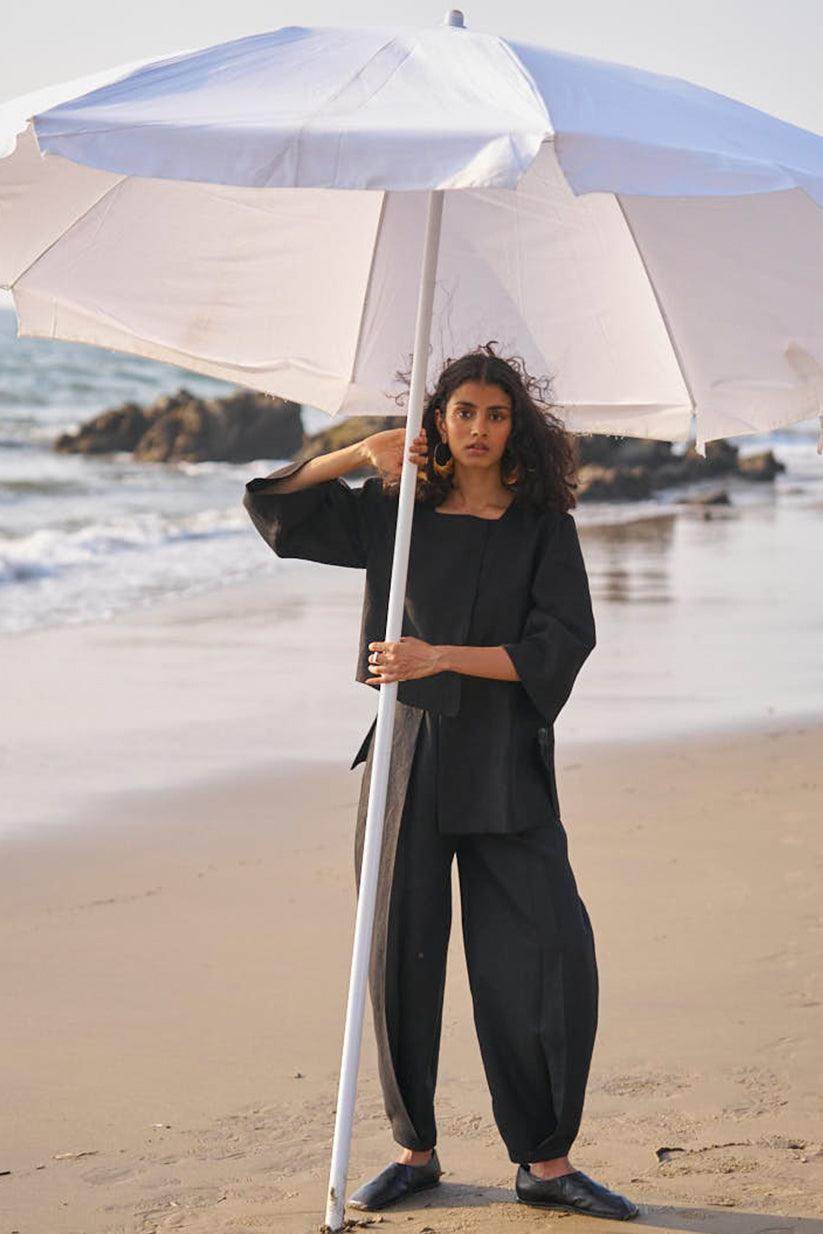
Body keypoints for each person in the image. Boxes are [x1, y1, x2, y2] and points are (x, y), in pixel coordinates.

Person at [243, 344, 639, 1222]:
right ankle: (412, 1152)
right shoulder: (395, 514)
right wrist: (360, 452)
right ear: (438, 420)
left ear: (516, 427)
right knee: (399, 953)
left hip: (505, 761)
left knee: (544, 954)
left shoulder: (543, 526)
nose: (479, 429)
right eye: (463, 412)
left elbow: (558, 646)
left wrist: (438, 657)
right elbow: (274, 508)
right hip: (408, 754)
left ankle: (546, 1162)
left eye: (496, 415)